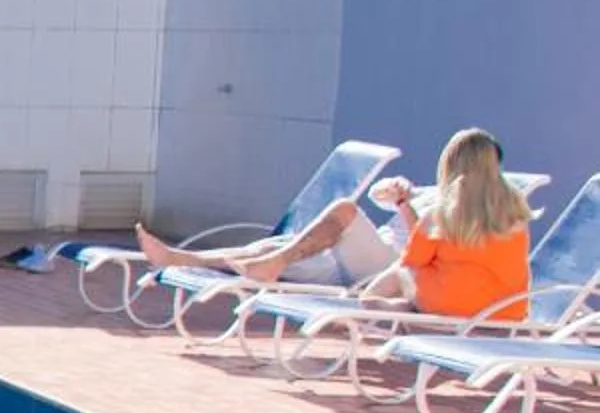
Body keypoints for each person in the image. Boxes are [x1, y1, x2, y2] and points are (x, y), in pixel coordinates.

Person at [132, 128, 532, 315]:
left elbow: (422, 257)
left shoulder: (453, 209)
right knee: (270, 247)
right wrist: (399, 193)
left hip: (386, 265)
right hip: (379, 256)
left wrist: (409, 210)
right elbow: (382, 201)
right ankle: (182, 258)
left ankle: (274, 265)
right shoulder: (445, 198)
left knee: (342, 211)